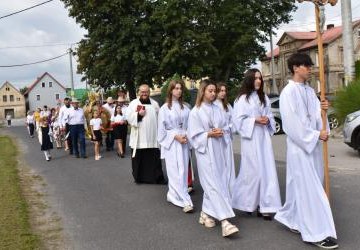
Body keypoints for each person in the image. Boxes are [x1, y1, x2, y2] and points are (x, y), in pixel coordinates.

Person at [274, 53, 338, 249]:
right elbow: (292, 125)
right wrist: (314, 135)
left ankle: (293, 218)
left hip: (314, 147)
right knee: (311, 190)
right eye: (307, 66)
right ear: (295, 68)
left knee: (301, 186)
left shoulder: (310, 91)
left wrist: (323, 109)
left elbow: (317, 118)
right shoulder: (288, 92)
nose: (310, 69)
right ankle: (316, 232)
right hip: (300, 148)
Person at [187, 79, 238, 237]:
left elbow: (226, 125)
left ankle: (205, 213)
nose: (214, 93)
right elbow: (193, 136)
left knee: (218, 183)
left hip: (219, 151)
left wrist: (222, 131)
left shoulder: (218, 108)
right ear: (202, 92)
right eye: (210, 91)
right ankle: (225, 222)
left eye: (214, 91)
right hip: (205, 153)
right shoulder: (195, 111)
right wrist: (209, 133)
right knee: (212, 184)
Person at [231, 69, 281, 220]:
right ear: (249, 80)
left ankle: (264, 205)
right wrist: (255, 120)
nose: (259, 81)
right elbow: (238, 121)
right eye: (255, 78)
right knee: (252, 172)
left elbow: (270, 115)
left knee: (266, 171)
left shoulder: (263, 97)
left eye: (260, 78)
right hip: (251, 139)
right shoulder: (242, 99)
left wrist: (267, 120)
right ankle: (247, 202)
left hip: (263, 138)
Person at [158, 79, 193, 213]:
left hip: (183, 141)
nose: (179, 90)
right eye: (176, 88)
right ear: (171, 90)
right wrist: (174, 136)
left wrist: (187, 135)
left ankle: (173, 194)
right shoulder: (164, 108)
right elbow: (161, 131)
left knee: (183, 170)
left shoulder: (186, 107)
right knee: (174, 171)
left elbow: (190, 125)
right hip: (172, 144)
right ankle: (183, 199)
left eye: (180, 88)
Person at [125, 84, 166, 184]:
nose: (144, 93)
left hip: (153, 137)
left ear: (149, 92)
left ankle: (156, 178)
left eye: (146, 92)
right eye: (142, 92)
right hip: (139, 138)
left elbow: (160, 118)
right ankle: (139, 178)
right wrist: (138, 115)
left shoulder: (155, 104)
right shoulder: (134, 103)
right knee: (139, 159)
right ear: (139, 92)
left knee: (154, 159)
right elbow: (128, 117)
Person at [213, 82, 236, 196]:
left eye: (224, 91)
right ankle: (221, 190)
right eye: (221, 90)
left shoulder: (227, 106)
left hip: (227, 137)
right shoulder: (213, 105)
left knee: (229, 164)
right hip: (218, 138)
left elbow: (233, 121)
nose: (223, 93)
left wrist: (229, 128)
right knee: (220, 164)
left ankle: (230, 189)